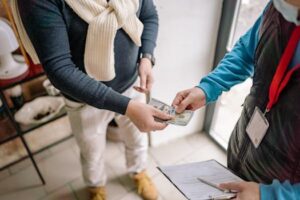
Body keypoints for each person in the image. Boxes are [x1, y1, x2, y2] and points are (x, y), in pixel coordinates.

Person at [14, 0, 171, 200]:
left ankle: (138, 171)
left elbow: (149, 15)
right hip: (83, 100)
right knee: (92, 153)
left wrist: (147, 57)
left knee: (137, 139)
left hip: (132, 85)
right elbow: (59, 69)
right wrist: (127, 107)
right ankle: (96, 188)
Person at [172, 0, 300, 199]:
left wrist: (270, 195)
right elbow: (246, 50)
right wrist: (208, 88)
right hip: (242, 152)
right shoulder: (279, 7)